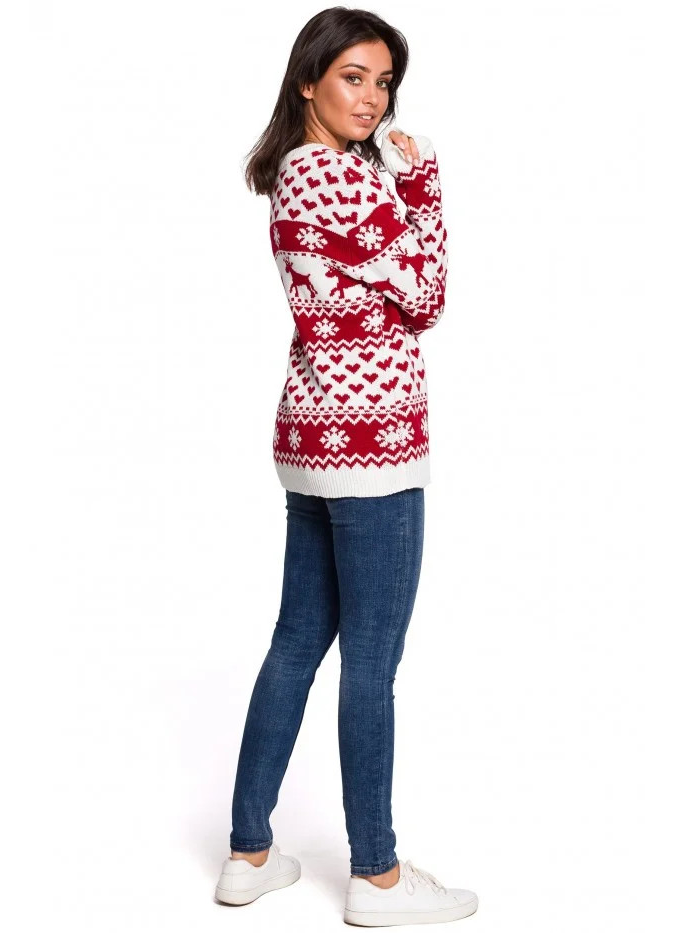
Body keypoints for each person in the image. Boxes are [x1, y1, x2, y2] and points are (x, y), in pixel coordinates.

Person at [214, 7, 478, 926]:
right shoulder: (335, 175)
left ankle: (249, 852)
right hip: (372, 443)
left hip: (315, 432)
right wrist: (423, 179)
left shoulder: (298, 172)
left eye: (384, 81)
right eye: (353, 77)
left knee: (297, 641)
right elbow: (427, 294)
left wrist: (394, 196)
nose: (372, 98)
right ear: (308, 81)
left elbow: (397, 288)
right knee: (371, 662)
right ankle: (378, 875)